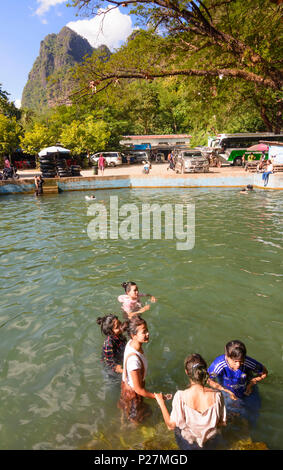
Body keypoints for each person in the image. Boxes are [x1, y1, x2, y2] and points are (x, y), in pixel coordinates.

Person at [155, 353, 226, 450]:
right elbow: (222, 423)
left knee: (177, 427)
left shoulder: (180, 396)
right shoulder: (217, 395)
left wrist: (161, 403)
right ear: (204, 371)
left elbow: (171, 425)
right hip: (210, 443)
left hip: (188, 444)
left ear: (187, 372)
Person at [118, 315, 170, 423]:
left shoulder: (131, 344)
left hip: (127, 387)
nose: (148, 334)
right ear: (134, 335)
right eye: (144, 332)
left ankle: (123, 420)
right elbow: (138, 390)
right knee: (138, 418)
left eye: (147, 330)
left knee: (127, 409)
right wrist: (158, 397)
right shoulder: (134, 361)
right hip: (134, 394)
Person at [207, 340, 268, 426]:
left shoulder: (248, 362)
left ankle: (250, 431)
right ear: (227, 356)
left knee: (254, 412)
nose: (238, 364)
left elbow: (264, 372)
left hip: (247, 388)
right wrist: (224, 390)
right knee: (230, 415)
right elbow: (208, 379)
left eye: (241, 361)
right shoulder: (219, 364)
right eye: (235, 361)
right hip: (227, 391)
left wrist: (252, 383)